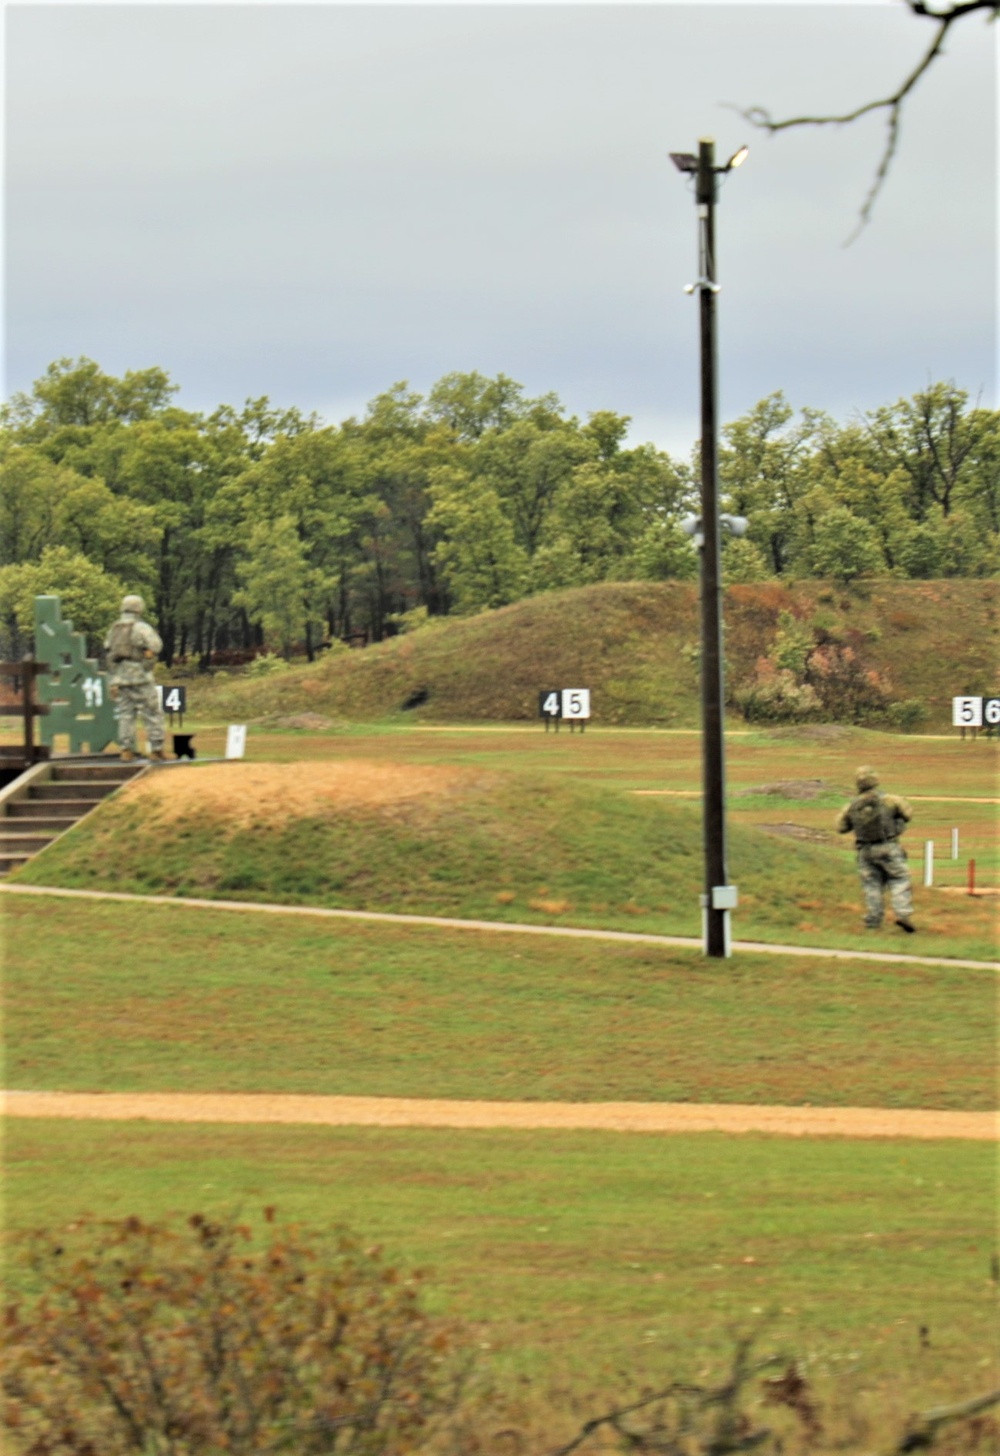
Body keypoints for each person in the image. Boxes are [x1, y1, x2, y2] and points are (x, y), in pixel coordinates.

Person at [836, 766, 915, 932]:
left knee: (872, 885)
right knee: (899, 879)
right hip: (889, 846)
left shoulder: (852, 806)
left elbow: (840, 827)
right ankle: (902, 914)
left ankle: (873, 921)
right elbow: (908, 814)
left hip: (865, 851)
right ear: (876, 780)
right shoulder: (890, 800)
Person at [104, 594, 166, 762]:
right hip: (141, 677)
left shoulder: (114, 629)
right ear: (139, 609)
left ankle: (126, 749)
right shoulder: (141, 627)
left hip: (120, 678)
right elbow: (156, 645)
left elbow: (108, 651)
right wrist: (147, 653)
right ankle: (156, 749)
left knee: (126, 715)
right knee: (152, 713)